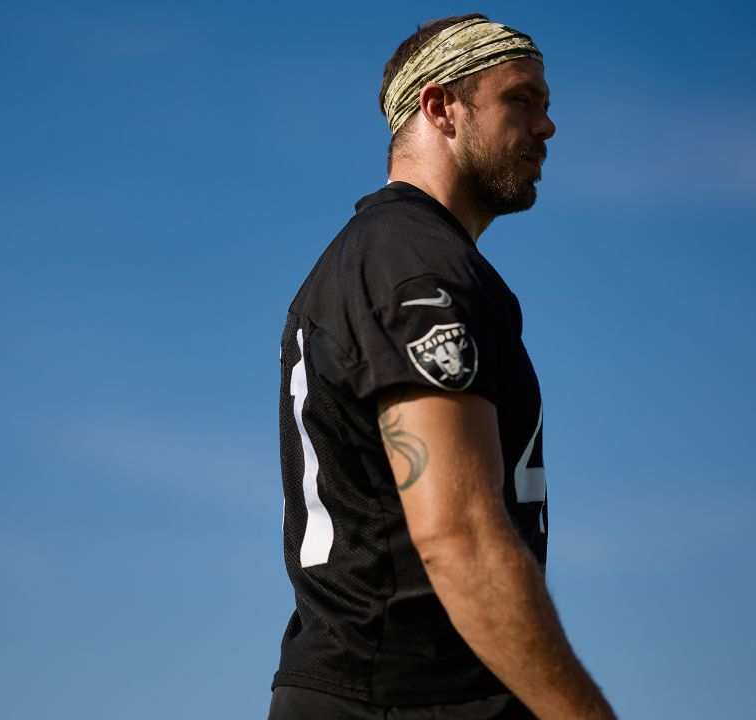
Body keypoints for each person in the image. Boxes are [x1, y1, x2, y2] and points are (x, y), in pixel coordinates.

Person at [269, 13, 616, 720]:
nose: (547, 127)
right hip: (404, 699)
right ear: (440, 107)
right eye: (522, 99)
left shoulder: (397, 255)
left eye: (547, 106)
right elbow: (457, 534)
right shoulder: (412, 262)